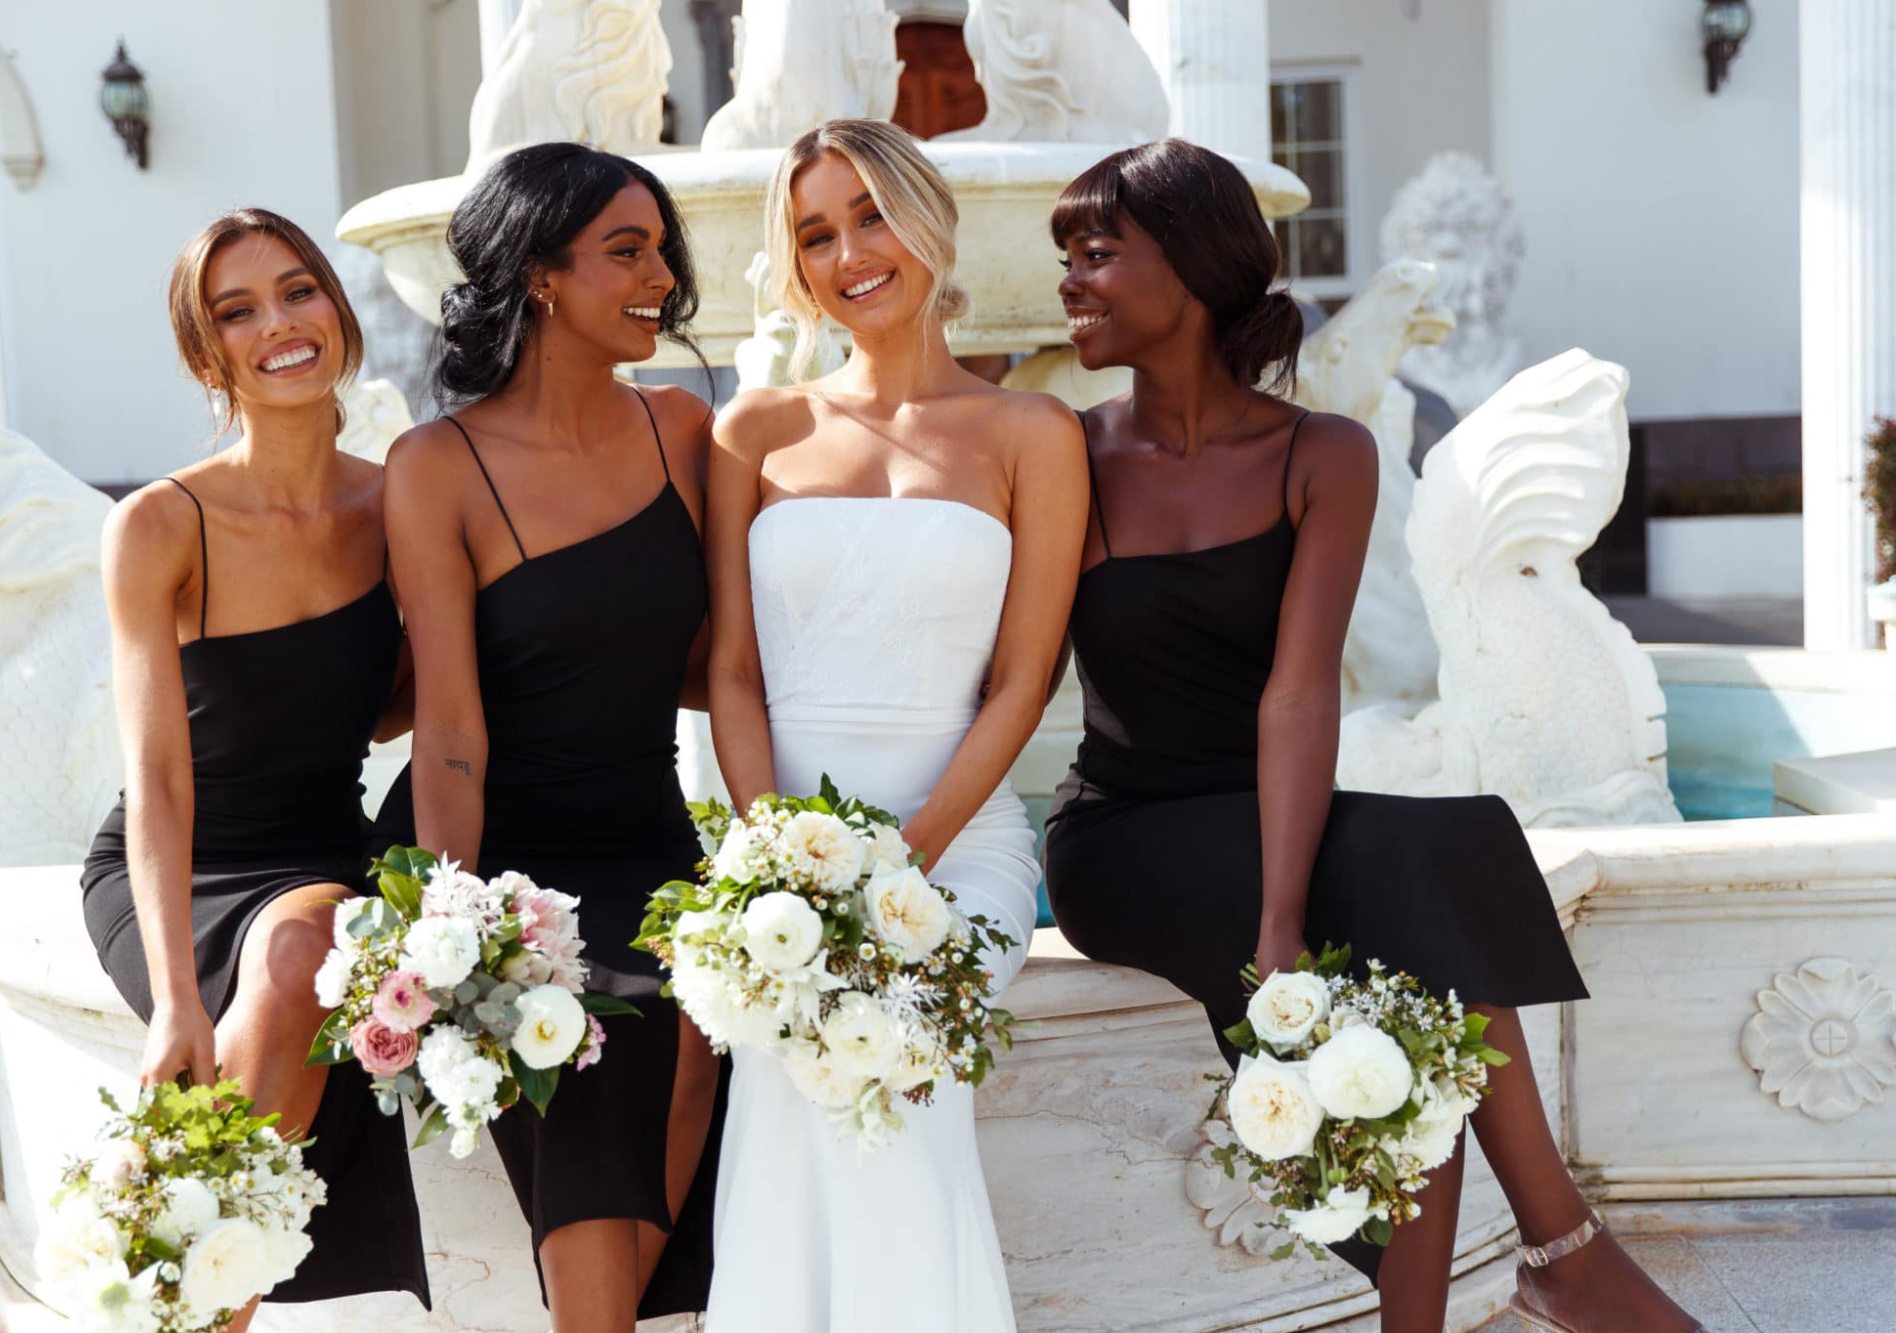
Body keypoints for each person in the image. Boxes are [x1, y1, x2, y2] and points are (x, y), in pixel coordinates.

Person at [1040, 138, 1707, 1333]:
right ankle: (1564, 1251)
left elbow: (1298, 695)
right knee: (1418, 903)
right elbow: (1011, 671)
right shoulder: (1066, 454)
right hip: (1126, 834)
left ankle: (1539, 1264)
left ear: (1193, 268)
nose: (1070, 282)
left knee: (1435, 892)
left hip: (1268, 807)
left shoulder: (1319, 454)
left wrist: (1284, 920)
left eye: (1097, 253)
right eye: (1064, 258)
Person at [702, 118, 1087, 1333]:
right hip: (773, 849)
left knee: (905, 1084)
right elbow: (731, 671)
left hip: (953, 848)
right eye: (815, 232)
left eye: (870, 214)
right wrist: (773, 869)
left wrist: (904, 857)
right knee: (782, 1088)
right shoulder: (754, 433)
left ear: (929, 221)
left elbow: (1020, 683)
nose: (848, 252)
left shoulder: (1032, 432)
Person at [371, 142, 720, 1332]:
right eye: (628, 250)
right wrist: (450, 917)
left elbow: (715, 662)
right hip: (504, 838)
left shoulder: (682, 430)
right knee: (573, 1037)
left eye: (661, 248)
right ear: (539, 277)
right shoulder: (438, 466)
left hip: (645, 822)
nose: (661, 277)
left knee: (696, 1044)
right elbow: (449, 725)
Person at [81, 208, 428, 1327]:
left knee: (302, 954)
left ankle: (170, 1297)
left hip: (321, 856)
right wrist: (174, 1002)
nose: (279, 324)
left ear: (336, 306)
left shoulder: (398, 502)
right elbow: (158, 777)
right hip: (177, 863)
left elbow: (394, 707)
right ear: (206, 353)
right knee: (291, 962)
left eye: (299, 290)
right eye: (239, 310)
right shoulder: (159, 525)